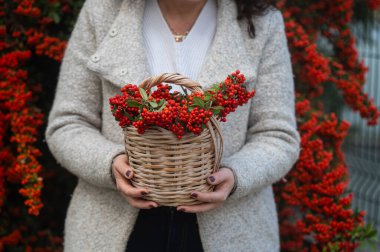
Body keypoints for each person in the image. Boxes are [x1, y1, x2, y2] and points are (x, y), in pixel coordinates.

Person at [45, 0, 301, 251]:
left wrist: (236, 176)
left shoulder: (261, 23)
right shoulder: (102, 11)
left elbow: (277, 135)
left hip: (232, 230)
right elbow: (68, 123)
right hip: (111, 227)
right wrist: (111, 164)